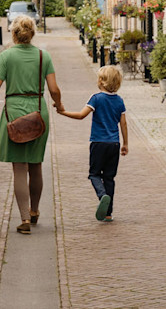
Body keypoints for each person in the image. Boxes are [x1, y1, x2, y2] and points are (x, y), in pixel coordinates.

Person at [0, 16, 64, 234]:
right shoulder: (44, 57)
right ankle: (35, 211)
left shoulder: (6, 56)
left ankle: (24, 219)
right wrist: (59, 105)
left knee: (19, 167)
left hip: (14, 111)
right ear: (32, 33)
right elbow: (53, 89)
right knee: (36, 164)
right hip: (38, 110)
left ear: (14, 34)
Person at [57, 65, 128, 222]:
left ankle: (102, 195)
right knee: (109, 177)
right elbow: (123, 123)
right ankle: (108, 213)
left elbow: (81, 115)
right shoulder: (119, 101)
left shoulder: (96, 98)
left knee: (94, 174)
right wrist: (125, 143)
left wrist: (63, 112)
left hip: (98, 143)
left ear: (102, 82)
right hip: (114, 144)